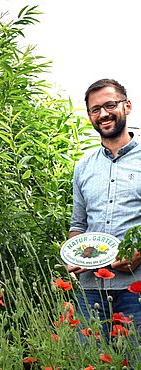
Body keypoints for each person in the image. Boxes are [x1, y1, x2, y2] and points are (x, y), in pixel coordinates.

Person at [68, 79, 141, 334]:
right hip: (91, 289)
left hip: (136, 287)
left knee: (135, 369)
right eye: (95, 109)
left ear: (127, 106)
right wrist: (73, 255)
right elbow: (78, 225)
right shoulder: (84, 167)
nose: (103, 114)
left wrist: (139, 251)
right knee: (91, 369)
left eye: (110, 105)